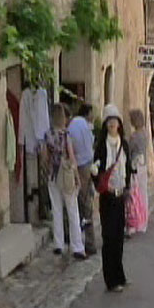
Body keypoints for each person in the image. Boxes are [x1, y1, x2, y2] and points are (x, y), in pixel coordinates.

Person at [93, 104, 132, 292]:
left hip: (120, 195)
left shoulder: (123, 145)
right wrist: (101, 183)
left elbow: (128, 167)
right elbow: (95, 170)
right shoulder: (102, 146)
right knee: (108, 237)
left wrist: (128, 188)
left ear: (119, 123)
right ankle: (111, 280)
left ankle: (119, 275)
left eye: (115, 120)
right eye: (109, 121)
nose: (112, 124)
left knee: (118, 237)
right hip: (107, 197)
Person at [42, 104, 86, 260]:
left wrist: (49, 167)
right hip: (66, 174)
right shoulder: (65, 135)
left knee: (57, 209)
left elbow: (44, 157)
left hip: (53, 176)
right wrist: (77, 177)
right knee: (72, 210)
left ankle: (58, 244)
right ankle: (77, 246)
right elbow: (71, 157)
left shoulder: (47, 135)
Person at [68, 103, 97, 255]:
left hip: (79, 165)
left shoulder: (73, 126)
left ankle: (78, 239)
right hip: (86, 165)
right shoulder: (85, 125)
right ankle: (89, 242)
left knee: (79, 204)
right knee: (86, 204)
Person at [128, 109, 149, 234]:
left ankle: (135, 220)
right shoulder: (145, 134)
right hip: (143, 165)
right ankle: (143, 221)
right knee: (143, 193)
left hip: (135, 166)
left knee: (135, 194)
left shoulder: (134, 136)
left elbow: (129, 151)